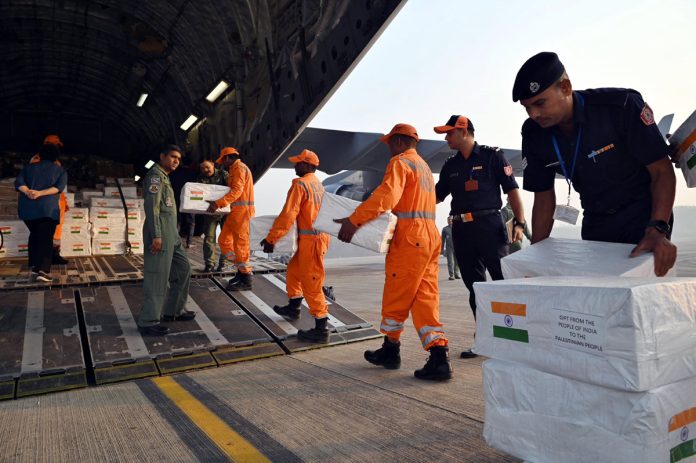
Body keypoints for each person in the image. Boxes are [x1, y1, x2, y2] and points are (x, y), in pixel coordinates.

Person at [512, 52, 677, 276]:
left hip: (643, 216)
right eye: (527, 108)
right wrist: (536, 258)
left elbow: (661, 171)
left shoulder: (620, 107)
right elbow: (543, 197)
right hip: (596, 222)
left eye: (540, 103)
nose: (534, 114)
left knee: (642, 297)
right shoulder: (534, 134)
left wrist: (658, 228)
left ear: (566, 88)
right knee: (600, 300)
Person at [335, 123, 453, 381]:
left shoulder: (400, 163)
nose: (388, 147)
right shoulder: (423, 168)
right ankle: (438, 355)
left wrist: (354, 220)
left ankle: (391, 350)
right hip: (430, 235)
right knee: (425, 296)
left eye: (390, 143)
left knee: (397, 292)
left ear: (399, 142)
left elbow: (386, 197)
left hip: (410, 237)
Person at [433, 115, 526, 359]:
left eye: (450, 133)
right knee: (475, 287)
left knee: (501, 283)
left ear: (464, 132)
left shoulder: (492, 156)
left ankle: (513, 340)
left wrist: (520, 222)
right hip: (461, 231)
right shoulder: (450, 165)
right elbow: (436, 196)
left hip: (489, 226)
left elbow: (512, 190)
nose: (446, 138)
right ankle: (484, 339)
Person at [260, 149, 332, 343]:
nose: (295, 166)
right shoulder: (318, 185)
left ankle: (321, 327)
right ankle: (294, 307)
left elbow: (288, 214)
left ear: (308, 166)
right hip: (315, 239)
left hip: (312, 241)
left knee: (312, 283)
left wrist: (271, 239)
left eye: (299, 163)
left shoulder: (300, 184)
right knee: (293, 271)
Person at [138, 145, 194, 336]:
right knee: (157, 277)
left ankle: (174, 310)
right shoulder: (155, 176)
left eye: (178, 158)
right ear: (162, 156)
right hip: (160, 234)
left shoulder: (164, 177)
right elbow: (152, 207)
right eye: (172, 157)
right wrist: (156, 235)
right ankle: (148, 321)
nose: (176, 161)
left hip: (172, 235)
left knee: (184, 269)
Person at [15, 143, 67, 282]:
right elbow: (58, 188)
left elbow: (19, 183)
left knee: (35, 235)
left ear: (40, 155)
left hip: (27, 211)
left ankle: (34, 267)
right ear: (56, 156)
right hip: (47, 210)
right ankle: (43, 271)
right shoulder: (60, 170)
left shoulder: (28, 168)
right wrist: (40, 193)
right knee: (45, 239)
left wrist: (28, 191)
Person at [207, 147, 255, 290]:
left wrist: (217, 203)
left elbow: (237, 191)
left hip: (243, 213)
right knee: (223, 241)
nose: (222, 163)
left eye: (223, 160)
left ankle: (246, 278)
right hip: (235, 212)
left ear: (228, 158)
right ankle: (241, 270)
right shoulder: (234, 169)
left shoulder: (240, 168)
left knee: (240, 246)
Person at [30, 134, 70, 265]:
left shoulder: (55, 161)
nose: (59, 149)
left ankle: (54, 254)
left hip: (57, 202)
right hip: (47, 203)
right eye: (56, 146)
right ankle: (42, 260)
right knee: (44, 231)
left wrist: (64, 202)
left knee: (56, 230)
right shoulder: (38, 160)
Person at [198, 160, 228, 272]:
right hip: (210, 212)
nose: (205, 170)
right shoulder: (200, 179)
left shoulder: (223, 174)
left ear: (213, 165)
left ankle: (223, 264)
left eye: (207, 167)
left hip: (225, 212)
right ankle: (209, 264)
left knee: (225, 239)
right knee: (209, 238)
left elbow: (232, 190)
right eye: (202, 168)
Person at [169, 155, 197, 248]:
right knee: (191, 222)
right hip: (190, 200)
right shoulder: (193, 173)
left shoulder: (174, 172)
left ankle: (175, 241)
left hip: (177, 198)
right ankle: (189, 242)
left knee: (178, 220)